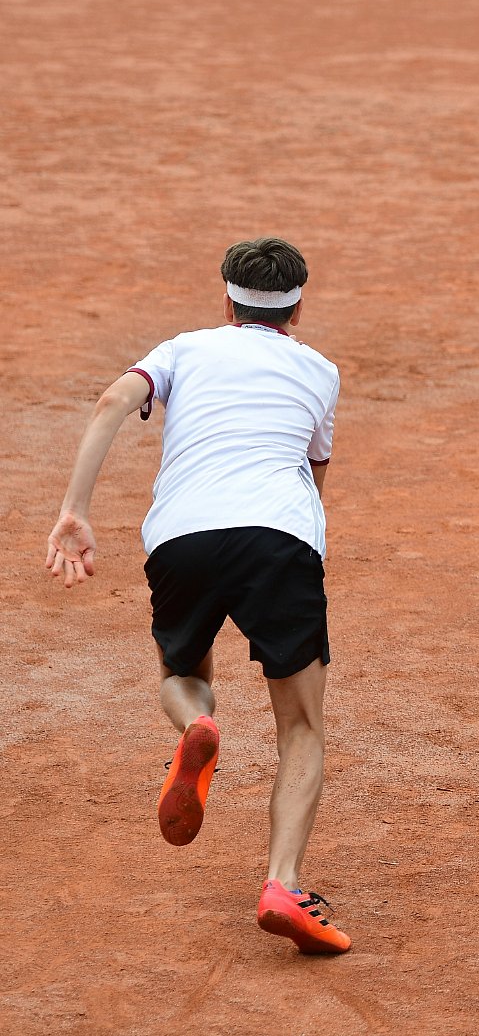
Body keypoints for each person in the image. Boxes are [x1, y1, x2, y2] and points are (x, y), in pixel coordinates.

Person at [45, 237, 350, 954]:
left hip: (181, 535)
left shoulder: (183, 349)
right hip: (279, 536)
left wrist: (75, 510)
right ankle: (282, 883)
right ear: (298, 309)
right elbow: (314, 473)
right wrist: (297, 553)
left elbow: (113, 401)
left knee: (182, 673)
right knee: (302, 728)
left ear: (227, 301)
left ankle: (196, 727)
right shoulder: (320, 370)